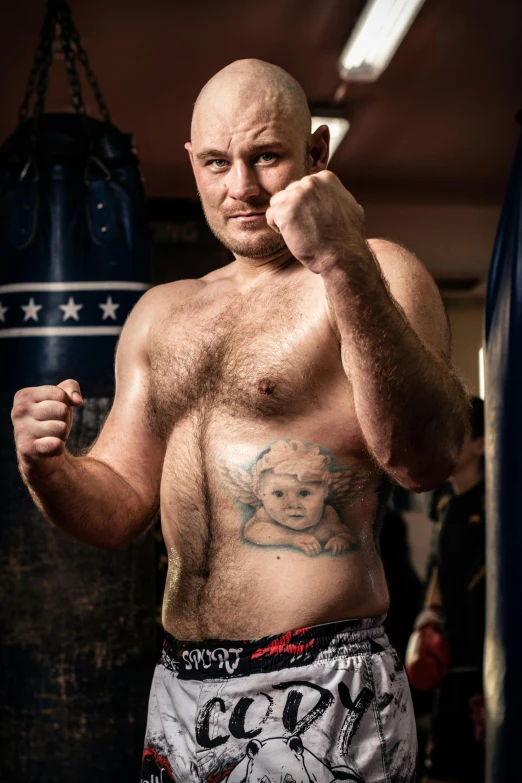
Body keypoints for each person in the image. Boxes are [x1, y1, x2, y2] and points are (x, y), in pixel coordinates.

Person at [11, 59, 468, 783]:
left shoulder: (378, 272)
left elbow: (428, 457)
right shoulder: (161, 315)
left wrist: (342, 259)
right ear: (192, 163)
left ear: (317, 153)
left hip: (324, 685)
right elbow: (120, 506)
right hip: (183, 691)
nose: (242, 188)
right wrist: (49, 467)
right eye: (218, 163)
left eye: (266, 157)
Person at [418, 397, 486, 783]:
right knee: (439, 768)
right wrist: (428, 618)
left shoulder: (496, 502)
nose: (445, 443)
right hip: (448, 650)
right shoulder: (443, 500)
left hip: (481, 653)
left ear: (479, 444)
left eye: (457, 436)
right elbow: (438, 567)